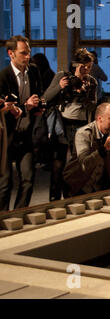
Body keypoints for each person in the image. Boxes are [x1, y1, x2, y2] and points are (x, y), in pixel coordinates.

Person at [43, 48, 97, 201]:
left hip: (80, 125)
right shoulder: (63, 76)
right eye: (84, 66)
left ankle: (72, 196)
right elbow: (46, 97)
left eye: (89, 67)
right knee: (58, 163)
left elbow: (92, 107)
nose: (86, 70)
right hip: (62, 123)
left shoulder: (91, 82)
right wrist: (60, 86)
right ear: (76, 65)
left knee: (77, 163)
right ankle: (54, 198)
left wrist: (84, 92)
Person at [0, 35, 42, 211]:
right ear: (11, 53)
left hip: (26, 134)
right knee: (5, 183)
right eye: (23, 53)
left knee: (28, 179)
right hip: (7, 137)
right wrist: (25, 107)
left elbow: (37, 96)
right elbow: (4, 109)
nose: (27, 57)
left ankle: (18, 215)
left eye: (29, 52)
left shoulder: (33, 71)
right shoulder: (3, 76)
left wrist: (39, 106)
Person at [63, 103, 110, 197]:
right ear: (100, 119)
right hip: (78, 185)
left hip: (100, 186)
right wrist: (105, 148)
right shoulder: (84, 133)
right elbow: (84, 164)